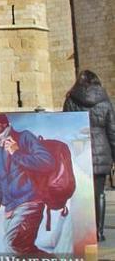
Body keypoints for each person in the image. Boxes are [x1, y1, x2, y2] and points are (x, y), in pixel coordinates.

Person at [0, 114, 55, 255]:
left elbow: (48, 162)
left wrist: (16, 152)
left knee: (13, 245)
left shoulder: (24, 138)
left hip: (31, 201)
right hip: (10, 208)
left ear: (3, 124)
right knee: (24, 249)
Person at [63, 70, 115, 242]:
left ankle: (83, 232)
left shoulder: (71, 99)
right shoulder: (105, 101)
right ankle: (99, 232)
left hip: (79, 151)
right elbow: (112, 132)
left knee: (81, 194)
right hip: (101, 152)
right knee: (99, 193)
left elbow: (66, 128)